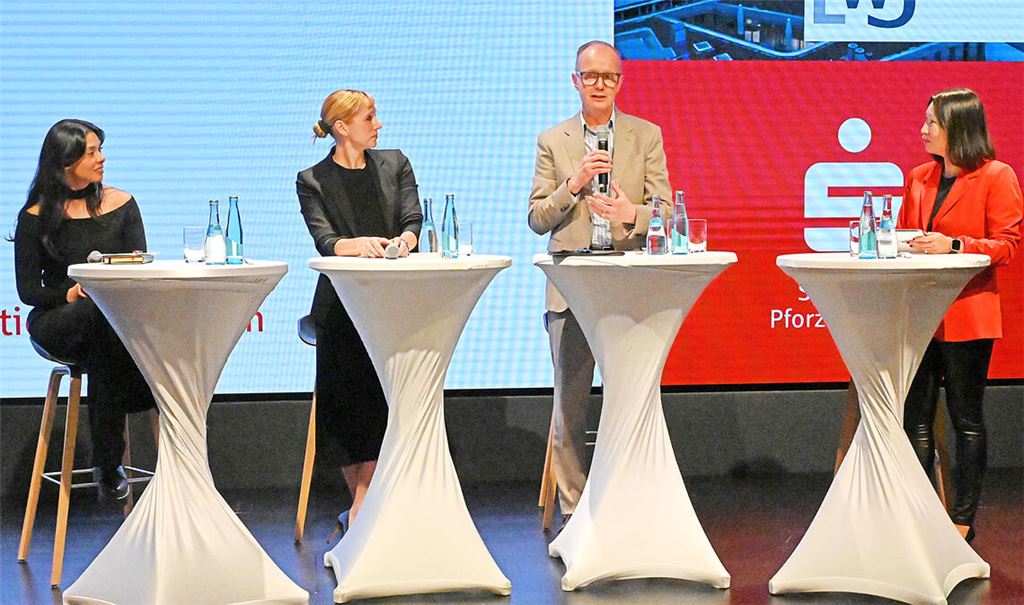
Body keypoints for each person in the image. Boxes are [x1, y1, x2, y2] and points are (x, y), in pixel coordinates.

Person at [528, 40, 671, 520]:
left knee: (631, 396)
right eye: (591, 76)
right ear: (575, 81)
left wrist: (633, 213)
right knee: (570, 403)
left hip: (626, 281)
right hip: (572, 287)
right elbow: (536, 218)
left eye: (609, 76)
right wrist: (572, 185)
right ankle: (573, 509)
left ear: (621, 81)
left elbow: (668, 213)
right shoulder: (554, 141)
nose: (600, 85)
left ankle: (626, 498)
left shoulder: (645, 135)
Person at [899, 88, 1022, 543]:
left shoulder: (996, 176)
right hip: (920, 313)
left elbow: (1006, 246)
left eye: (932, 122)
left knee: (965, 417)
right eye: (925, 120)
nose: (923, 129)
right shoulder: (917, 176)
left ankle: (963, 516)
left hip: (968, 312)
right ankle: (922, 512)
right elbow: (908, 234)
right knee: (916, 417)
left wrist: (954, 245)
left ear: (959, 128)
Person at [296, 89, 421, 537]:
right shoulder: (312, 179)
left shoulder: (395, 163)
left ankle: (364, 510)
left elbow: (412, 221)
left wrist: (402, 243)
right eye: (370, 117)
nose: (379, 124)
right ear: (343, 127)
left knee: (385, 392)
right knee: (347, 392)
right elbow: (324, 239)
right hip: (341, 303)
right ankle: (366, 504)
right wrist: (355, 246)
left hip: (392, 299)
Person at [13, 119, 157, 504]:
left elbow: (139, 265)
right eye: (92, 152)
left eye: (100, 149)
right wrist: (70, 293)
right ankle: (112, 455)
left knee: (109, 326)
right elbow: (28, 291)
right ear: (65, 162)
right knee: (99, 317)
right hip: (59, 319)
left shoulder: (122, 203)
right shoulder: (35, 216)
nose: (102, 158)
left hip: (113, 323)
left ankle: (109, 462)